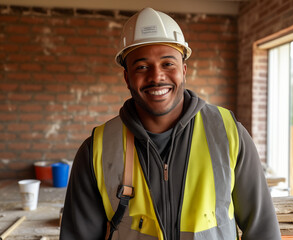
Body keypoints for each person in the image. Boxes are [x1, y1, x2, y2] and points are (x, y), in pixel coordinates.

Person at [60, 7, 281, 240]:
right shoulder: (97, 149)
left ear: (183, 71)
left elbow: (263, 231)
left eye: (168, 64)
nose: (156, 76)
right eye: (142, 67)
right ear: (127, 77)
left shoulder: (228, 134)